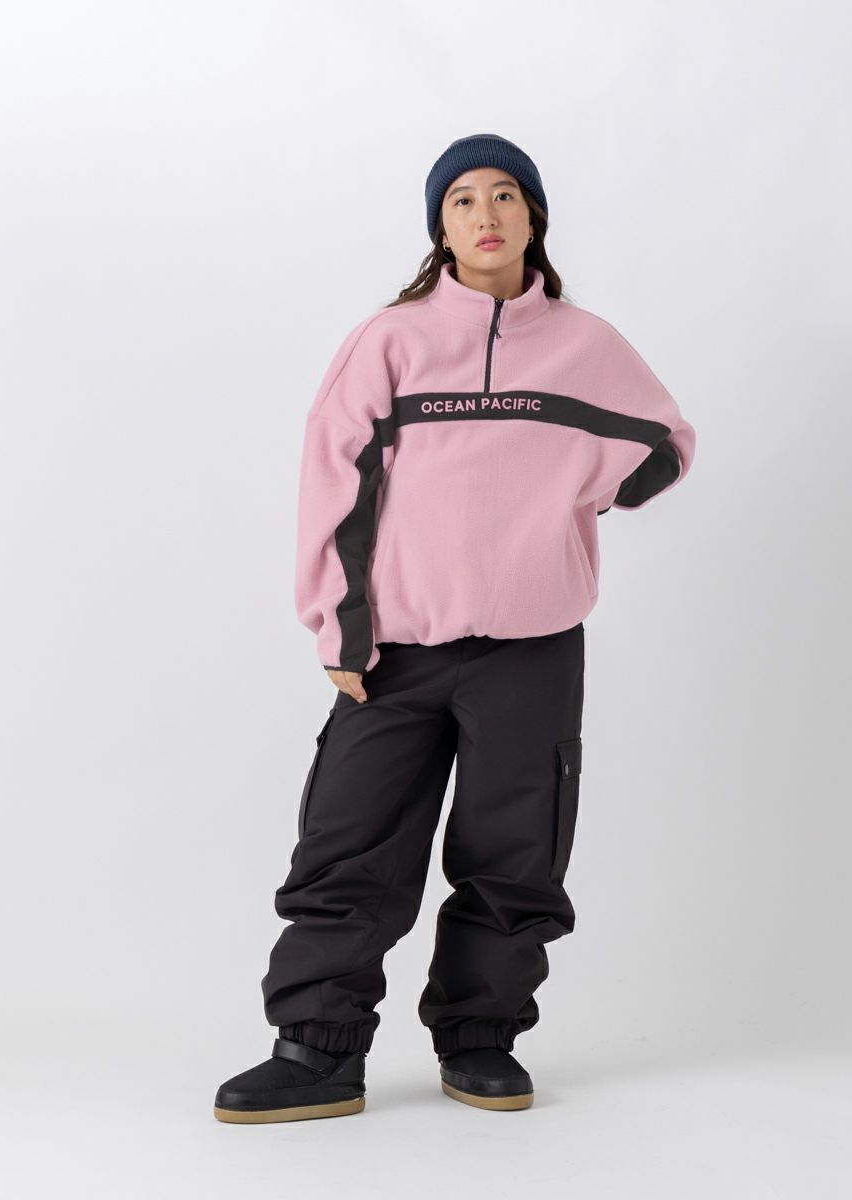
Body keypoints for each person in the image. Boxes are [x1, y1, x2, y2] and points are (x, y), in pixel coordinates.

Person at [213, 133, 696, 1122]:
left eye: (505, 195)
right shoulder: (389, 342)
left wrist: (570, 491)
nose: (485, 214)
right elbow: (334, 486)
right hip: (395, 650)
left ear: (533, 218)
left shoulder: (586, 346)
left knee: (515, 854)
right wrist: (342, 628)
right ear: (439, 227)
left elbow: (663, 445)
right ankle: (316, 1050)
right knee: (351, 843)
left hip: (533, 650)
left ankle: (481, 1038)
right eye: (462, 199)